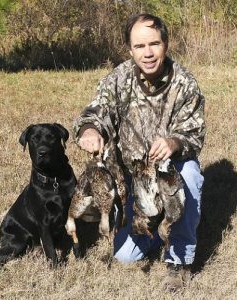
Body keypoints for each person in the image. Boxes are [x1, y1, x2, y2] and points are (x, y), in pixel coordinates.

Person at [73, 13, 205, 292]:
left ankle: (179, 259)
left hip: (172, 173)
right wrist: (90, 131)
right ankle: (161, 229)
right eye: (140, 46)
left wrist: (174, 143)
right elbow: (96, 112)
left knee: (192, 175)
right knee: (124, 257)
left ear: (166, 44)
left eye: (154, 44)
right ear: (129, 49)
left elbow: (194, 133)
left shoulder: (185, 83)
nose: (148, 53)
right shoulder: (118, 79)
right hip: (135, 178)